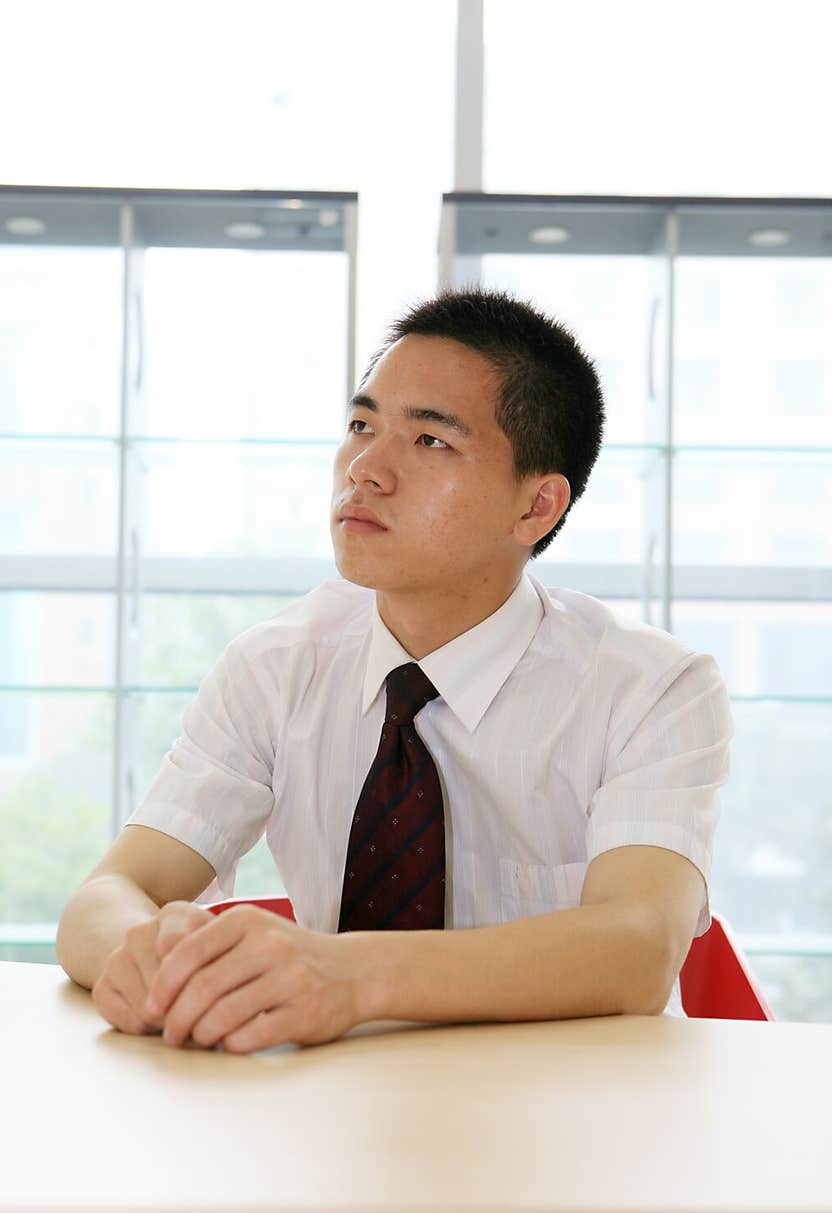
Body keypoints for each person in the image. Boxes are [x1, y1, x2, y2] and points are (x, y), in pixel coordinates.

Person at [56, 285, 734, 1052]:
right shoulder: (276, 666)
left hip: (570, 1123)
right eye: (361, 425)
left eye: (430, 441)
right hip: (327, 1114)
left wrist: (349, 977)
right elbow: (107, 895)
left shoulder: (651, 690)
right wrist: (148, 959)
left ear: (537, 507)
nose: (366, 470)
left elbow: (637, 948)